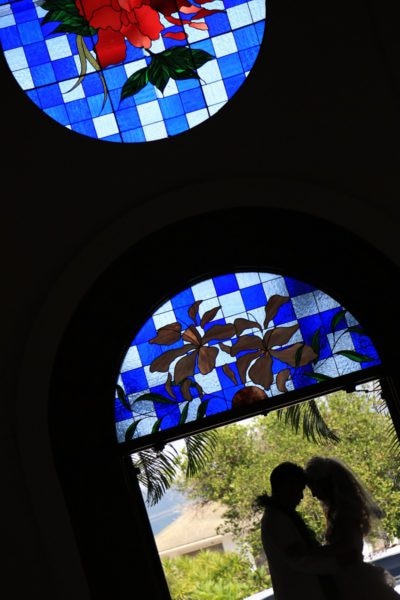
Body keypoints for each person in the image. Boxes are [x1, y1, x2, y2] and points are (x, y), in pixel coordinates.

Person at [305, 455, 400, 599]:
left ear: (326, 483)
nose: (313, 494)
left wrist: (311, 552)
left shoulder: (344, 514)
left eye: (314, 487)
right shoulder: (340, 513)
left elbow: (347, 546)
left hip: (356, 583)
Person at [256, 461, 340, 600]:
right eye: (299, 489)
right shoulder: (277, 520)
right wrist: (339, 563)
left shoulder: (277, 517)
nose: (301, 496)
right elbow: (300, 559)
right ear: (286, 487)